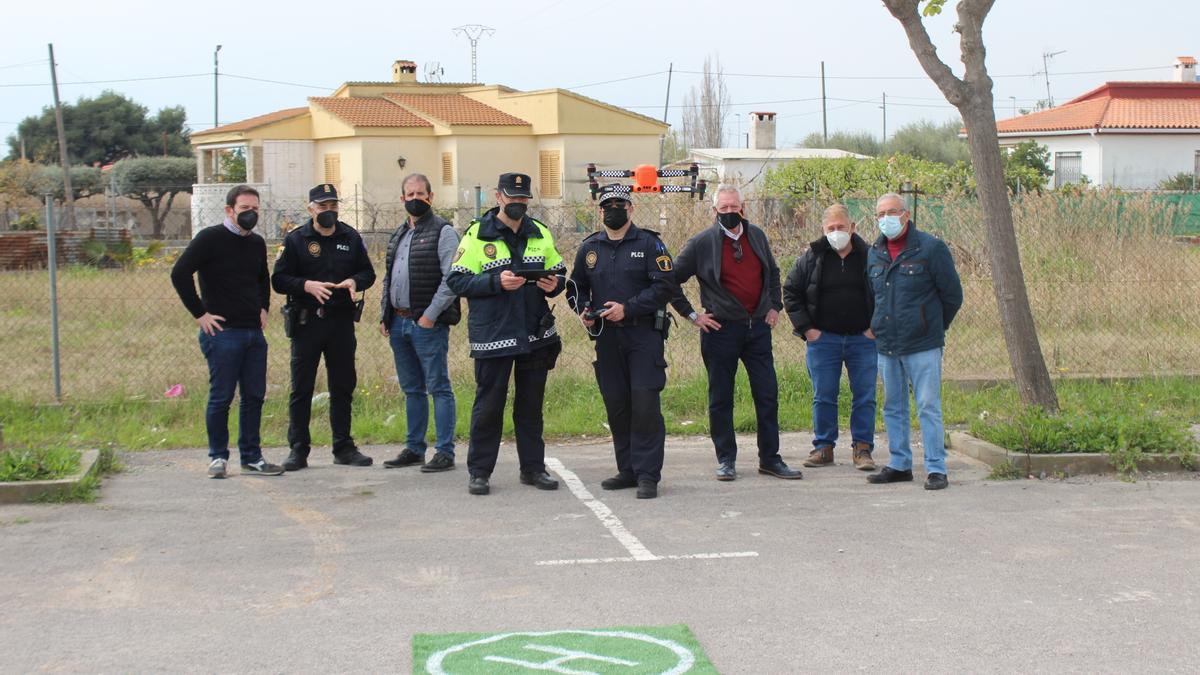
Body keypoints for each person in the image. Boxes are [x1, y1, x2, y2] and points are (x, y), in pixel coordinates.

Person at [445, 172, 567, 496]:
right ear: (497, 197)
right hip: (494, 335)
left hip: (534, 333)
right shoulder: (477, 235)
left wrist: (555, 284)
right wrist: (495, 283)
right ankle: (480, 472)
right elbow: (456, 281)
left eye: (523, 198)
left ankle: (533, 469)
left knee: (530, 407)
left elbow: (559, 272)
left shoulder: (539, 232)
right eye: (512, 197)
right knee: (489, 406)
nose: (518, 203)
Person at [670, 184, 801, 482]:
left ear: (743, 208)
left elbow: (773, 272)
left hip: (757, 330)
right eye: (724, 208)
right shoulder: (701, 243)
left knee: (767, 394)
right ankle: (725, 459)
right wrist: (692, 315)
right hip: (720, 331)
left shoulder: (756, 236)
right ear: (715, 210)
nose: (730, 212)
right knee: (721, 397)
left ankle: (770, 459)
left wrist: (774, 306)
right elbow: (670, 279)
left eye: (734, 207)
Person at [567, 185, 676, 499]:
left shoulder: (650, 243)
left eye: (620, 204)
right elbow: (575, 287)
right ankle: (627, 469)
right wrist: (583, 311)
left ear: (631, 209)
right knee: (617, 404)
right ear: (600, 212)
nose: (614, 209)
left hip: (643, 336)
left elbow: (665, 286)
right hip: (607, 338)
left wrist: (628, 308)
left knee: (644, 404)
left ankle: (647, 475)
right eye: (608, 205)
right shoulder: (589, 248)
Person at [170, 184, 283, 478]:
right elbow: (179, 273)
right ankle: (218, 458)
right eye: (245, 209)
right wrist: (200, 314)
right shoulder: (210, 238)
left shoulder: (256, 243)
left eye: (256, 209)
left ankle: (252, 457)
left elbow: (262, 278)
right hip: (222, 334)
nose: (251, 214)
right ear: (229, 210)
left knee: (254, 396)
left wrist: (264, 308)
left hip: (253, 334)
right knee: (221, 397)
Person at [271, 184, 376, 470]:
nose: (328, 211)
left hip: (341, 321)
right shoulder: (295, 240)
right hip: (307, 323)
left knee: (342, 385)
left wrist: (355, 282)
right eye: (322, 207)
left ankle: (343, 447)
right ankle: (298, 449)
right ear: (310, 209)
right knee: (301, 387)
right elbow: (278, 280)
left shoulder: (350, 237)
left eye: (332, 206)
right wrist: (306, 285)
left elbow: (368, 272)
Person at [866, 192, 963, 490]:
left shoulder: (931, 248)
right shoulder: (875, 253)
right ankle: (899, 464)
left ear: (906, 215)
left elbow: (952, 296)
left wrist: (932, 326)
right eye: (881, 214)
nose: (886, 219)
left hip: (923, 344)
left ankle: (936, 468)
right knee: (893, 406)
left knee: (927, 405)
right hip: (888, 345)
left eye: (892, 212)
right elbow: (873, 296)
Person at [783, 204, 878, 471]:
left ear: (853, 228)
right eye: (831, 229)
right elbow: (791, 291)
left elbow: (886, 293)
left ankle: (862, 448)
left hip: (864, 340)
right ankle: (823, 447)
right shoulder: (811, 258)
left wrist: (875, 329)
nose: (837, 233)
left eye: (841, 227)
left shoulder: (871, 256)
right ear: (823, 230)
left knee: (865, 396)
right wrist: (808, 329)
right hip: (824, 341)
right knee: (824, 395)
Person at [379, 173, 461, 473]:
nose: (415, 199)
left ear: (431, 196)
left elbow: (451, 280)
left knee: (438, 386)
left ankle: (444, 451)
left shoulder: (444, 232)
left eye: (420, 194)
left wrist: (429, 315)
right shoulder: (399, 233)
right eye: (409, 194)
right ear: (402, 199)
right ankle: (414, 448)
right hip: (398, 323)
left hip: (427, 324)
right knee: (412, 389)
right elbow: (389, 276)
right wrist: (384, 314)